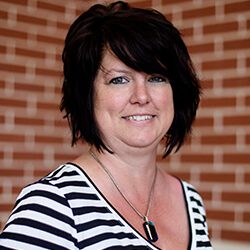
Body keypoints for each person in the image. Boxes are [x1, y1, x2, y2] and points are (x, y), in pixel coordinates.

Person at [0, 1, 213, 249]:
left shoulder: (191, 200)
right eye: (119, 79)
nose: (142, 96)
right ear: (87, 96)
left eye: (157, 77)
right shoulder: (52, 205)